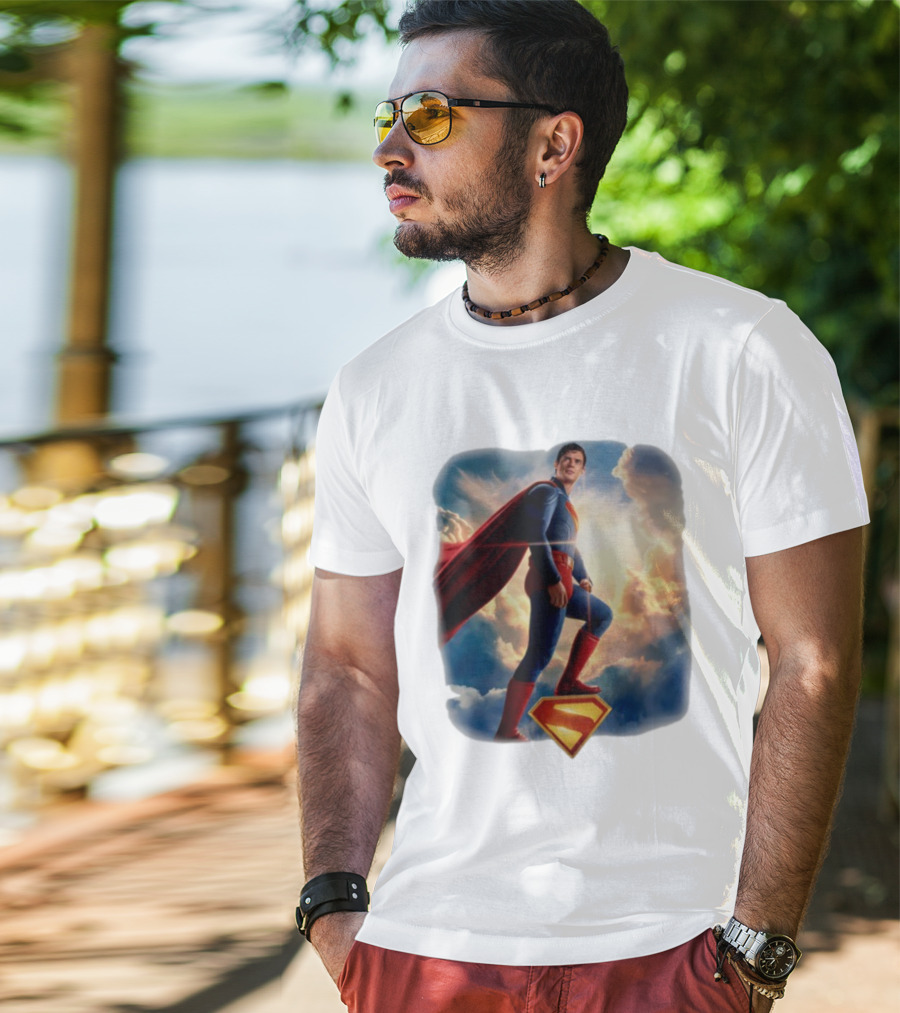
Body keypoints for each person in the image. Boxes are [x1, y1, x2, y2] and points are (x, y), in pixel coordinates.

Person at [296, 2, 869, 1011]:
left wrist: (756, 949)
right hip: (428, 953)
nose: (389, 147)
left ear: (553, 145)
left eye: (429, 116)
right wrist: (335, 907)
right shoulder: (374, 387)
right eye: (388, 116)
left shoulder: (741, 348)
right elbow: (346, 661)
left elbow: (813, 659)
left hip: (670, 948)